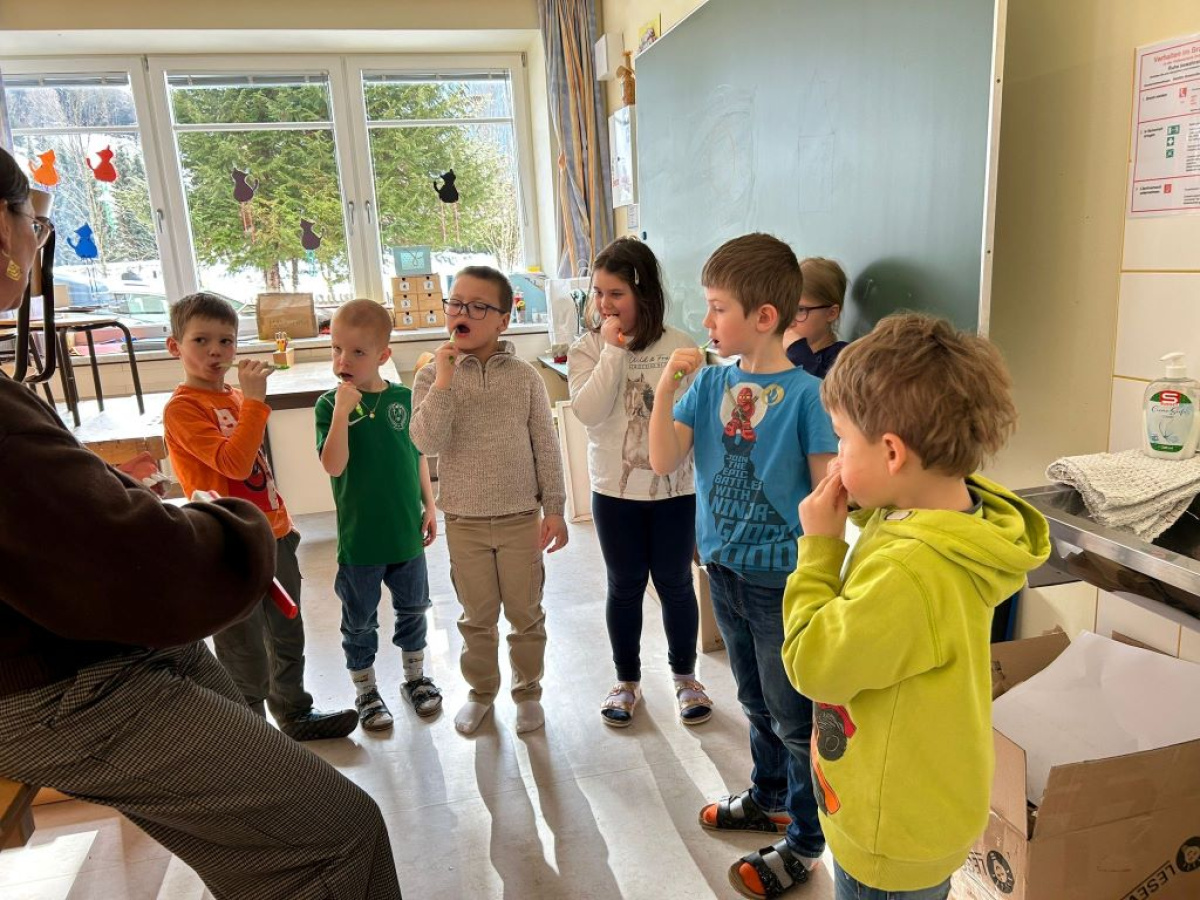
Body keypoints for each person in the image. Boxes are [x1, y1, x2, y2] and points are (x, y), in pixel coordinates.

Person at [0, 146, 403, 899]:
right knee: (337, 831)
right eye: (36, 223)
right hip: (58, 685)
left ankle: (284, 720)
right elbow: (138, 545)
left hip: (98, 647)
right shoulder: (192, 405)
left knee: (255, 682)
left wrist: (127, 495)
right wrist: (233, 524)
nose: (35, 242)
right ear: (3, 230)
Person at [782, 313, 1049, 900]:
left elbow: (812, 664)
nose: (835, 458)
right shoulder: (956, 521)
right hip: (924, 805)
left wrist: (819, 549)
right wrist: (862, 495)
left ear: (892, 452)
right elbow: (896, 517)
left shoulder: (910, 573)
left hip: (886, 835)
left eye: (841, 440)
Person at [649, 233, 837, 899]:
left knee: (794, 717)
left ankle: (807, 840)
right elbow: (663, 460)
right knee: (754, 700)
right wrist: (668, 386)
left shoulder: (809, 396)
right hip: (722, 569)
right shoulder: (709, 383)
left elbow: (827, 495)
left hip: (781, 579)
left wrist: (825, 575)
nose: (705, 320)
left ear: (764, 316)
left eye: (717, 307)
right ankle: (769, 797)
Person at [164, 290, 357, 741]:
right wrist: (254, 402)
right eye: (200, 340)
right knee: (243, 647)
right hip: (226, 545)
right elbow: (233, 464)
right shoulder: (183, 409)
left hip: (273, 532)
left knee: (287, 633)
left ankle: (294, 714)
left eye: (226, 341)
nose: (216, 351)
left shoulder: (235, 398)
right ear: (175, 346)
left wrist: (284, 524)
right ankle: (251, 736)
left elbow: (255, 467)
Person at [410, 266, 568, 736]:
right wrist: (443, 382)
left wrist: (555, 508)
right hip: (465, 520)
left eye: (478, 306)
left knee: (525, 613)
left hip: (521, 517)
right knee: (476, 618)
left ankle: (528, 691)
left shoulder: (524, 377)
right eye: (456, 303)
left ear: (503, 320)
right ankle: (480, 692)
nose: (463, 313)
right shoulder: (431, 377)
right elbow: (425, 442)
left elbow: (546, 445)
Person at [567, 237, 711, 727]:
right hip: (614, 491)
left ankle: (686, 678)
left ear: (643, 293)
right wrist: (612, 352)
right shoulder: (587, 348)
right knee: (625, 585)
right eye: (598, 293)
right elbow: (589, 412)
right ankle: (626, 681)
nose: (604, 304)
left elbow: (695, 419)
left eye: (616, 294)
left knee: (675, 583)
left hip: (675, 491)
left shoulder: (680, 344)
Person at [317, 299, 442, 729]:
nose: (343, 361)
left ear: (383, 355)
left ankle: (416, 677)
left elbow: (417, 455)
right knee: (359, 622)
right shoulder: (327, 406)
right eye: (336, 349)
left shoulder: (404, 399)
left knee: (414, 609)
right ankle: (366, 690)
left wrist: (430, 505)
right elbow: (333, 465)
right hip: (361, 542)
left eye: (357, 352)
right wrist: (341, 412)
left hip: (405, 533)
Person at [783, 257, 849, 378]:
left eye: (800, 310)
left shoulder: (844, 357)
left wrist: (797, 351)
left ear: (831, 313)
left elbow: (822, 387)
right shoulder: (782, 353)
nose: (788, 321)